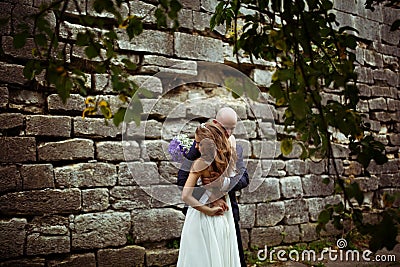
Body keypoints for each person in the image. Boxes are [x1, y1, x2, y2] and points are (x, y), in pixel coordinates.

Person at [177, 107, 249, 267]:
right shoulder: (199, 147)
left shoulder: (235, 149)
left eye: (233, 128)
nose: (229, 132)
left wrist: (223, 184)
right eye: (225, 128)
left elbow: (244, 179)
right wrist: (210, 196)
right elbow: (182, 180)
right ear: (215, 123)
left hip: (227, 211)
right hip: (203, 210)